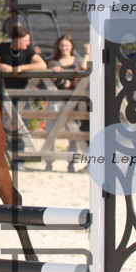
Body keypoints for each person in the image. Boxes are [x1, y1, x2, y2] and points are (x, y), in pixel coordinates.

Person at [0, 26, 46, 169]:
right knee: (2, 126)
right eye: (25, 40)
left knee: (21, 127)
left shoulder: (28, 50)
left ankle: (19, 160)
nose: (28, 43)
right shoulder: (3, 47)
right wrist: (2, 66)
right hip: (4, 93)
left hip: (22, 93)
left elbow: (42, 64)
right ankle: (2, 159)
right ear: (16, 40)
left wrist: (21, 68)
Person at [46, 35, 84, 172]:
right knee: (50, 130)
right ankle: (49, 162)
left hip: (72, 99)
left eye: (66, 45)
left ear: (71, 46)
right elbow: (50, 80)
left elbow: (79, 82)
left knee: (72, 131)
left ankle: (71, 162)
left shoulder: (78, 62)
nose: (64, 48)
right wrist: (54, 73)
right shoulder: (54, 62)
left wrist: (73, 80)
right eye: (62, 45)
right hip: (56, 97)